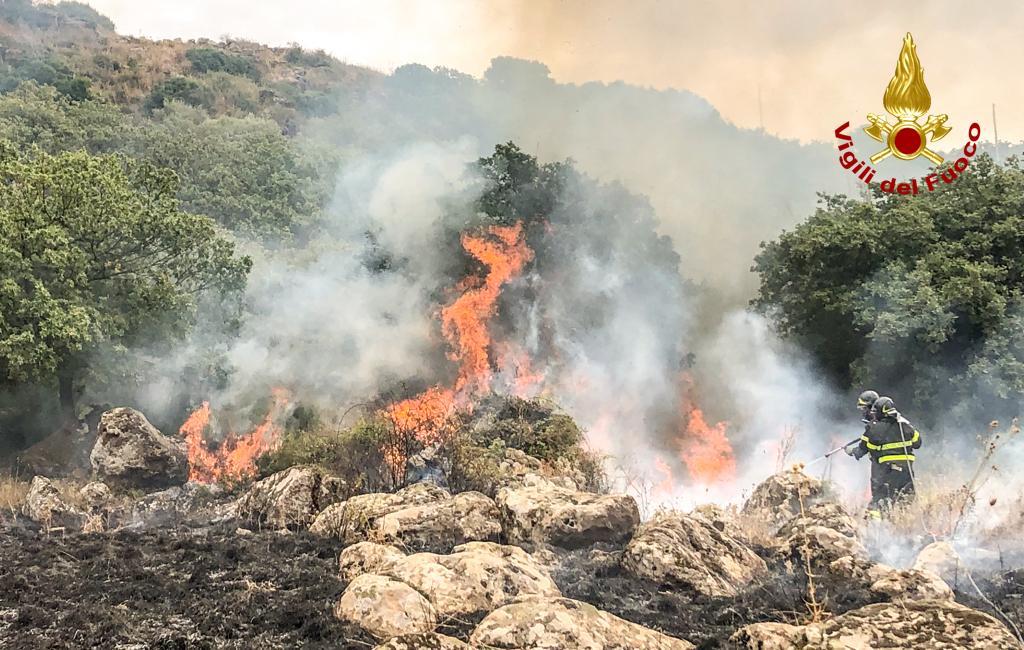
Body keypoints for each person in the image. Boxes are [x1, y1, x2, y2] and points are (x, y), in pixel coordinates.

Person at [846, 395, 922, 517]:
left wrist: (851, 451)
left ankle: (875, 531)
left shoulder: (874, 429)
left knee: (878, 504)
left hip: (886, 472)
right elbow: (917, 443)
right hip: (906, 472)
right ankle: (903, 528)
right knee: (905, 504)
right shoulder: (905, 426)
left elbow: (862, 450)